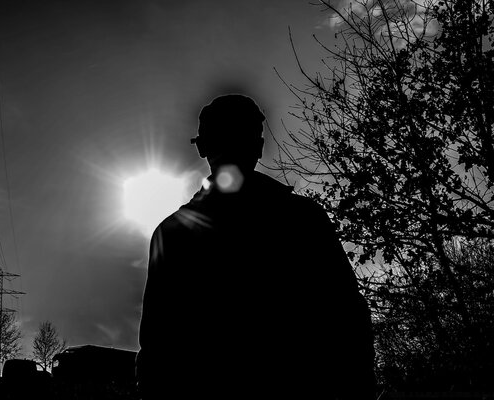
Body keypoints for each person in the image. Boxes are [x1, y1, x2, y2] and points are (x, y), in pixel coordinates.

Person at [136, 94, 376, 400]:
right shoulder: (303, 219)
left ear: (203, 147)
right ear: (259, 147)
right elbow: (348, 320)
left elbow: (158, 349)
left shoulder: (172, 235)